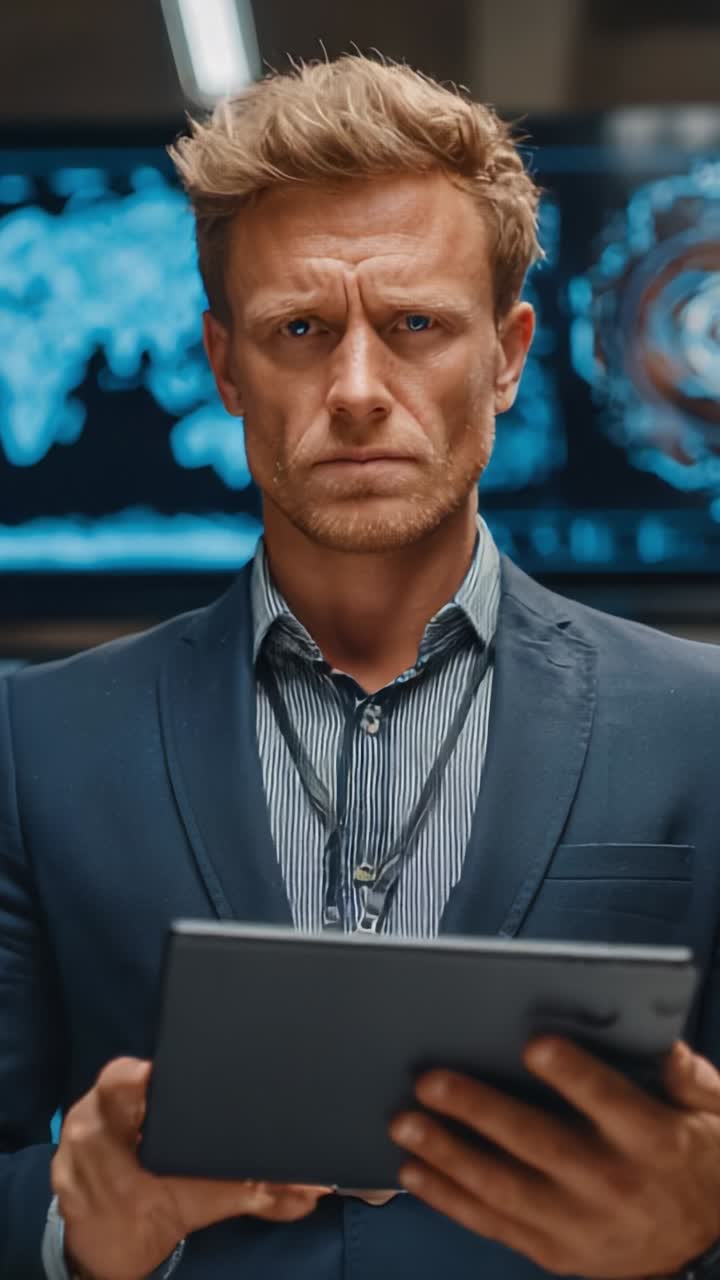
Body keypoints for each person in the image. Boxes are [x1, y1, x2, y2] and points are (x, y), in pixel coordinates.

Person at [2, 54, 720, 1280]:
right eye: (299, 329)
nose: (355, 389)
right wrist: (77, 1226)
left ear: (505, 354)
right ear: (226, 367)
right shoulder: (34, 742)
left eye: (415, 326)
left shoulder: (702, 726)